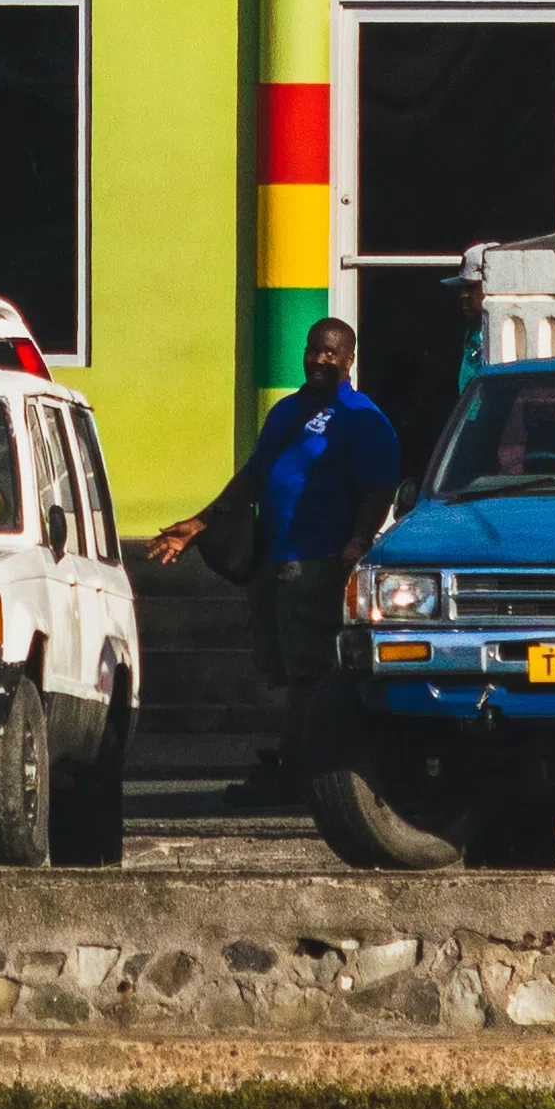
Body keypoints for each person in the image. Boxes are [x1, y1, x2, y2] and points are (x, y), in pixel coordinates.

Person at [150, 316, 399, 807]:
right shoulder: (286, 412)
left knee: (311, 671)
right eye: (314, 350)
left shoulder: (362, 417)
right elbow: (254, 476)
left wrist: (359, 539)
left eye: (331, 353)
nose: (320, 360)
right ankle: (295, 764)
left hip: (320, 561)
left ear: (349, 360)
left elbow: (378, 486)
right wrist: (198, 525)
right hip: (276, 559)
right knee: (286, 670)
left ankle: (297, 772)